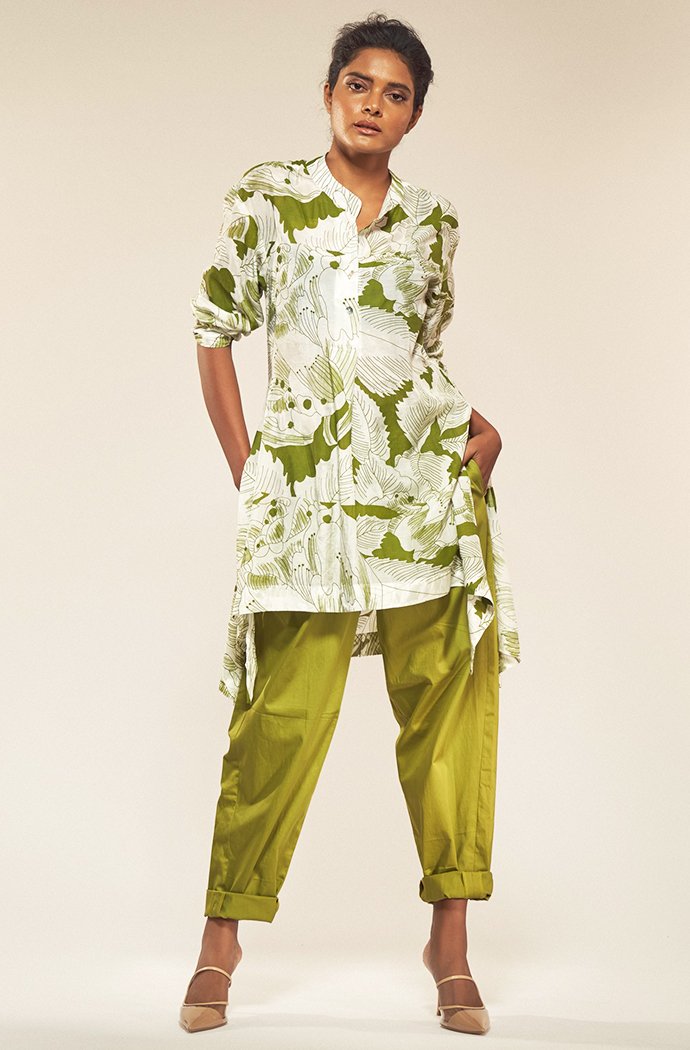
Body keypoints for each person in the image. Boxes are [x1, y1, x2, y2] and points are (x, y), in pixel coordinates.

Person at [179, 13, 521, 1036]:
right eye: (359, 85)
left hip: (424, 503)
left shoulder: (433, 222)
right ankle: (221, 940)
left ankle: (451, 942)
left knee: (449, 718)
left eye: (396, 93)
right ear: (330, 93)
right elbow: (214, 332)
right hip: (306, 511)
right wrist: (251, 473)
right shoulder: (268, 199)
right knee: (277, 722)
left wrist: (481, 426)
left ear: (415, 115)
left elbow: (411, 359)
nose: (374, 104)